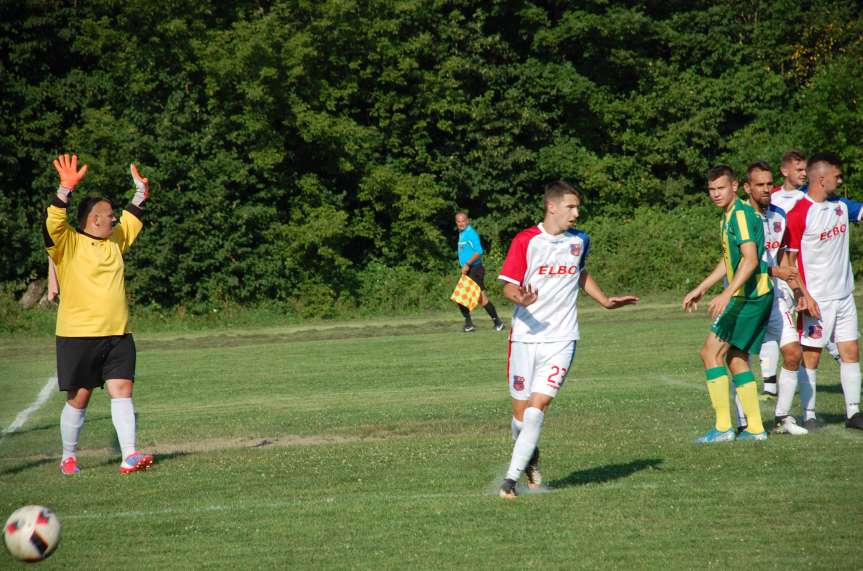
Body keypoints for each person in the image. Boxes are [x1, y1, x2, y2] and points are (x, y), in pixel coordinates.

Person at [496, 181, 638, 498]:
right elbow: (507, 285)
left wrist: (604, 300)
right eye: (571, 207)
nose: (577, 213)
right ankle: (530, 458)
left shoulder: (580, 240)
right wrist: (521, 298)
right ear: (552, 207)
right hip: (524, 338)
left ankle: (510, 482)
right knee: (520, 418)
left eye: (578, 207)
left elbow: (580, 272)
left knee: (536, 410)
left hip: (561, 339)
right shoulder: (525, 241)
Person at [45, 153, 155, 474]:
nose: (115, 220)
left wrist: (140, 193)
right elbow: (53, 222)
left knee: (122, 391)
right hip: (78, 335)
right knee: (79, 399)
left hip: (118, 334)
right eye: (110, 215)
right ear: (94, 219)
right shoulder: (68, 243)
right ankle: (68, 457)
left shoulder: (115, 241)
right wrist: (65, 189)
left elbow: (133, 216)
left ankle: (129, 455)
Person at [682, 165, 773, 443]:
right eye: (711, 189)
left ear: (735, 186)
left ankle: (723, 428)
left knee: (710, 353)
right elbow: (729, 260)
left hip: (749, 297)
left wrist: (726, 294)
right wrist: (703, 287)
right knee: (735, 358)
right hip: (753, 296)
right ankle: (756, 429)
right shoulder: (729, 216)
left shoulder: (741, 215)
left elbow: (751, 259)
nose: (715, 194)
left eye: (721, 188)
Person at [782, 152, 863, 431]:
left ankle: (853, 412)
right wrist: (804, 295)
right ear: (821, 178)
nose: (840, 180)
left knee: (851, 350)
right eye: (837, 176)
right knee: (811, 355)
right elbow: (788, 263)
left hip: (844, 295)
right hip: (817, 300)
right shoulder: (798, 213)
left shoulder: (842, 206)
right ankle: (809, 414)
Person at [742, 162, 807, 435]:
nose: (767, 189)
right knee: (739, 359)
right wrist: (775, 271)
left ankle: (782, 417)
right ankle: (743, 421)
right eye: (760, 185)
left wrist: (797, 291)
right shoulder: (741, 216)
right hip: (746, 296)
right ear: (747, 187)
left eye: (769, 184)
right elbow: (741, 262)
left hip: (775, 296)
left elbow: (784, 258)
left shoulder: (780, 216)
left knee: (793, 353)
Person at [454, 211, 504, 332]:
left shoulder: (471, 233)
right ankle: (470, 324)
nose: (461, 223)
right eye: (458, 221)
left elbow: (479, 251)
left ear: (468, 221)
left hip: (475, 269)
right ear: (456, 223)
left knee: (480, 298)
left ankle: (497, 322)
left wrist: (467, 264)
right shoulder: (462, 233)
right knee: (461, 298)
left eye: (463, 221)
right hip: (468, 270)